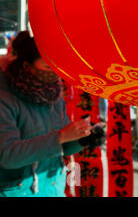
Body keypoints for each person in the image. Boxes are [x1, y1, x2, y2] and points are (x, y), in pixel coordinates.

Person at [0, 31, 101, 197]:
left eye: (56, 66)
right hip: (18, 191)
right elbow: (8, 155)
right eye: (48, 66)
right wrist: (61, 136)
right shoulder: (5, 99)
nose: (54, 72)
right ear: (27, 67)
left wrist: (81, 139)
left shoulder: (53, 95)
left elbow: (61, 147)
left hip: (53, 188)